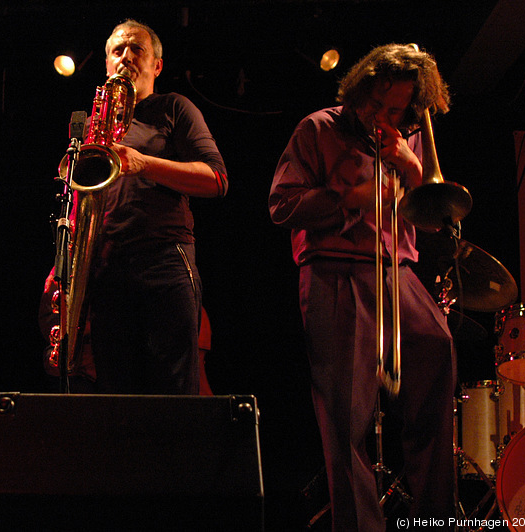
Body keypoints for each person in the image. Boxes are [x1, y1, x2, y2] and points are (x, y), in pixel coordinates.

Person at [268, 44, 456, 531]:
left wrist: (412, 171)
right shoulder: (317, 128)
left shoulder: (407, 138)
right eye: (375, 104)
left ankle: (433, 520)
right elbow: (281, 205)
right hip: (334, 271)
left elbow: (435, 221)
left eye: (394, 109)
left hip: (395, 272)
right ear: (358, 90)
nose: (382, 117)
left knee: (437, 350)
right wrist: (347, 199)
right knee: (346, 414)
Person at [75, 19, 227, 395]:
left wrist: (144, 163)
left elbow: (217, 178)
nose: (126, 57)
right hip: (107, 268)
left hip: (164, 261)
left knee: (174, 392)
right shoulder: (93, 124)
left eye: (137, 49)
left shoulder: (174, 107)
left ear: (156, 65)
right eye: (117, 51)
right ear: (107, 64)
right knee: (115, 395)